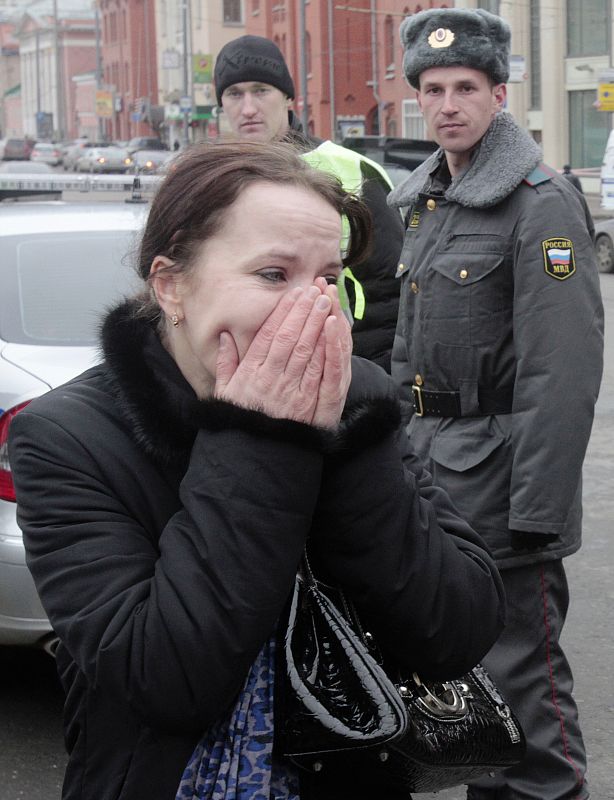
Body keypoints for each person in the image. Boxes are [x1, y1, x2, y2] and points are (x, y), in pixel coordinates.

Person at [9, 141, 506, 800]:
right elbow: (168, 679)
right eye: (274, 275)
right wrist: (261, 439)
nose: (310, 310)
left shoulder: (357, 393)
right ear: (171, 285)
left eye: (327, 279)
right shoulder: (68, 436)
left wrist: (345, 446)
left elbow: (458, 628)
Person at [388, 8, 604, 800]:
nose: (447, 104)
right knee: (475, 698)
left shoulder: (539, 203)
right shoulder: (428, 201)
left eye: (465, 87)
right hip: (434, 475)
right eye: (432, 89)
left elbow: (563, 368)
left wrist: (537, 512)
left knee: (528, 698)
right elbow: (407, 354)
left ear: (499, 94)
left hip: (503, 487)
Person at [213, 34, 404, 373]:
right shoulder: (211, 182)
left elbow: (391, 293)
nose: (248, 108)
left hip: (335, 372)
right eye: (234, 94)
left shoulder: (352, 172)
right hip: (239, 373)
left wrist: (365, 380)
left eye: (261, 90)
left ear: (288, 96)